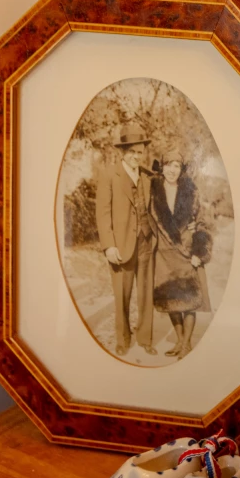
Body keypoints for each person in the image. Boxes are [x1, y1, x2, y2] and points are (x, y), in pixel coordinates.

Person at [95, 126, 156, 356]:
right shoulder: (109, 174)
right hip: (120, 245)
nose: (136, 156)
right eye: (131, 152)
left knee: (146, 293)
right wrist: (108, 245)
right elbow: (102, 213)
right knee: (122, 293)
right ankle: (122, 339)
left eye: (139, 152)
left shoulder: (148, 177)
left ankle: (145, 338)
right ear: (123, 152)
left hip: (146, 242)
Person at [149, 147, 211, 359]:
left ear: (181, 169)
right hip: (164, 255)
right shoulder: (152, 191)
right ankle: (179, 341)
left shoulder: (191, 191)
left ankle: (186, 344)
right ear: (162, 167)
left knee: (190, 299)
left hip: (186, 252)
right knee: (171, 301)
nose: (172, 170)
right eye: (168, 165)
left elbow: (203, 222)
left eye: (177, 166)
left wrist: (199, 251)